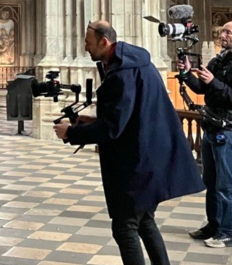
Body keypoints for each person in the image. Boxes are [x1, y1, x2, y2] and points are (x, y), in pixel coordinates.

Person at [54, 21, 205, 265]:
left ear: (104, 42)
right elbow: (128, 116)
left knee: (125, 228)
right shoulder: (137, 63)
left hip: (137, 162)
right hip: (151, 156)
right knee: (144, 221)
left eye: (88, 43)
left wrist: (71, 133)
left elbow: (113, 128)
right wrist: (87, 120)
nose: (85, 48)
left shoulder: (122, 73)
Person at [178, 20, 232, 248]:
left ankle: (230, 233)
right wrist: (186, 74)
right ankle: (214, 226)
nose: (223, 35)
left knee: (225, 184)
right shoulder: (219, 59)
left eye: (228, 32)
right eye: (223, 31)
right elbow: (202, 88)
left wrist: (215, 82)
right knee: (210, 181)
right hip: (212, 126)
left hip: (228, 129)